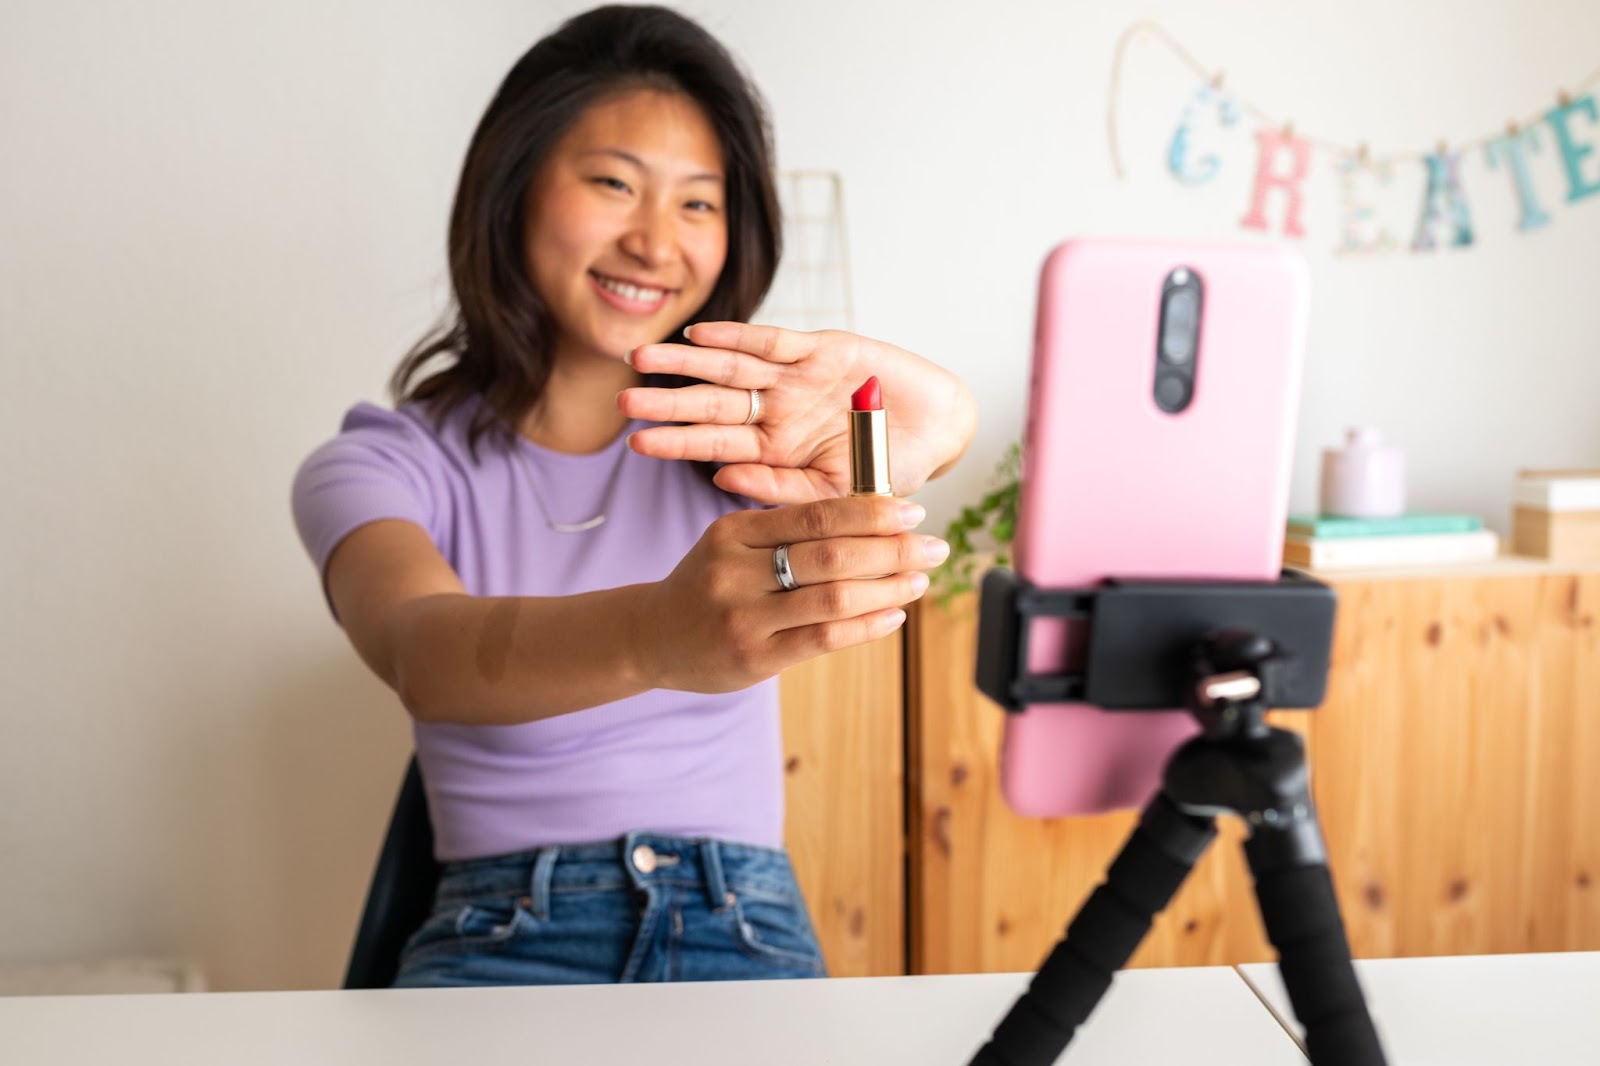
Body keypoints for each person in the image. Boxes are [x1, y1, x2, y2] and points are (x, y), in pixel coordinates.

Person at [292, 4, 977, 988]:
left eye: (699, 203)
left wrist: (948, 423)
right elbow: (420, 652)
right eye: (614, 184)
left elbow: (880, 512)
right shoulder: (382, 464)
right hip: (502, 929)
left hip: (739, 916)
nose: (656, 243)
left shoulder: (756, 452)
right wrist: (658, 632)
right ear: (512, 189)